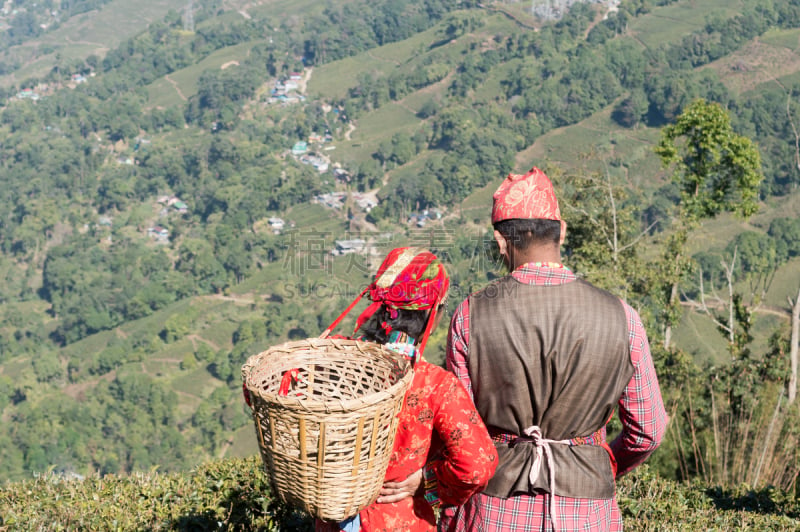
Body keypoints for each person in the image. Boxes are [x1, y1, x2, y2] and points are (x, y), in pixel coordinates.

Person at [441, 167, 668, 531]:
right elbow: (649, 431)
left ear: (502, 242)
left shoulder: (472, 314)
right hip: (587, 514)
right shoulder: (622, 317)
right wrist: (602, 459)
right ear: (562, 231)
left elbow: (458, 433)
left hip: (496, 509)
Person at [317, 247, 498, 532]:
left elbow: (270, 387)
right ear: (433, 315)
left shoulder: (337, 360)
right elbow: (477, 465)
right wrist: (427, 483)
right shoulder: (434, 384)